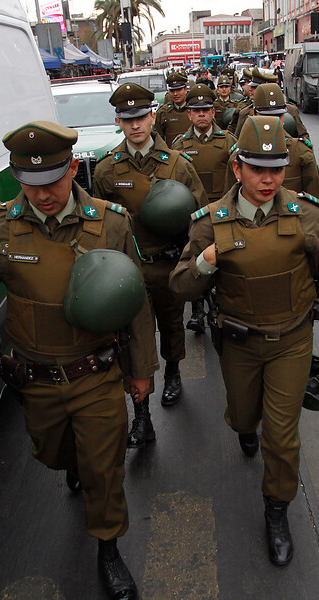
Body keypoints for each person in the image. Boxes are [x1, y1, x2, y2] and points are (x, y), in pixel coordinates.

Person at [0, 121, 158, 600]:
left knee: (104, 467)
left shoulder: (111, 223)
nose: (43, 194)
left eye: (53, 181)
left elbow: (137, 306)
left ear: (73, 169)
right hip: (36, 380)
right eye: (30, 183)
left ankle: (109, 548)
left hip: (97, 372)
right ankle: (72, 462)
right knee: (54, 453)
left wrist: (142, 370)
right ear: (17, 177)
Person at [169, 115, 319, 567]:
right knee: (244, 416)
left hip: (291, 342)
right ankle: (244, 426)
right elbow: (180, 287)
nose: (268, 179)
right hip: (240, 344)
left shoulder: (304, 214)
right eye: (256, 168)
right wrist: (207, 260)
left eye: (277, 168)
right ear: (237, 169)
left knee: (282, 436)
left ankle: (276, 509)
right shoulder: (212, 222)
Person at [92, 83, 209, 447]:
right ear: (119, 122)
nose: (136, 125)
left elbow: (200, 217)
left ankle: (173, 369)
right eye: (128, 120)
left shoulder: (177, 165)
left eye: (141, 117)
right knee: (128, 338)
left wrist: (191, 257)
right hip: (126, 270)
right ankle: (141, 415)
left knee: (171, 323)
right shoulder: (107, 170)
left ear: (153, 116)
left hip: (166, 264)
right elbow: (99, 223)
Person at [171, 83, 238, 333]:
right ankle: (198, 311)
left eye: (206, 109)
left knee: (223, 263)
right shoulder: (179, 146)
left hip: (222, 214)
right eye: (196, 110)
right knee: (196, 262)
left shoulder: (230, 141)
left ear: (213, 113)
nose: (201, 114)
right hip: (193, 218)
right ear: (189, 114)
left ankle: (220, 308)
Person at [225, 83, 319, 233]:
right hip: (250, 232)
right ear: (255, 114)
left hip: (292, 231)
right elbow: (228, 200)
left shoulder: (300, 152)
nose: (272, 121)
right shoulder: (240, 156)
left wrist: (314, 235)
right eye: (266, 115)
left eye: (277, 116)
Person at [233, 68, 310, 140]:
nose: (250, 89)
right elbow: (238, 140)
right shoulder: (245, 112)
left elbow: (303, 136)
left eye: (255, 87)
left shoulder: (290, 110)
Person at [154, 70, 191, 145]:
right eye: (172, 91)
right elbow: (157, 139)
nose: (175, 94)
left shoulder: (194, 110)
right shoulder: (163, 112)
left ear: (185, 90)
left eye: (179, 90)